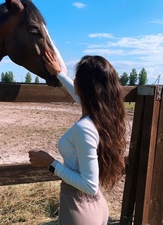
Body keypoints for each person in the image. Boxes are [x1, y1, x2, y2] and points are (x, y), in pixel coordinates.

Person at [28, 51, 127, 225]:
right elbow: (78, 96)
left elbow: (90, 185)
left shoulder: (85, 128)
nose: (74, 82)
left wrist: (50, 163)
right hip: (93, 207)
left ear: (84, 87)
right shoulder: (100, 117)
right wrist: (59, 73)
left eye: (77, 78)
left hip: (80, 211)